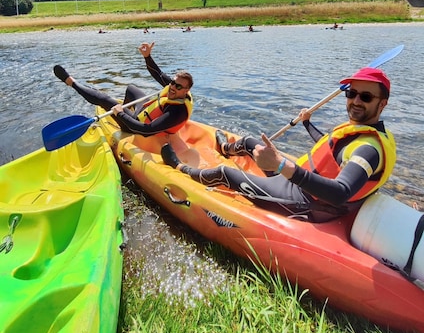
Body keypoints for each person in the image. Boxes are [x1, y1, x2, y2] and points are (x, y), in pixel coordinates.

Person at [161, 67, 396, 222]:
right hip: (300, 186)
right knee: (252, 143)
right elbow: (332, 148)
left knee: (225, 173)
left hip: (304, 202)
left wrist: (282, 166)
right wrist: (307, 124)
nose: (356, 101)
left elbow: (340, 193)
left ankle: (179, 167)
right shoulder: (362, 133)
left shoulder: (368, 150)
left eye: (366, 97)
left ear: (382, 104)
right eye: (352, 93)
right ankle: (225, 149)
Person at [53, 42, 194, 143]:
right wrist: (147, 56)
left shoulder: (177, 112)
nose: (173, 87)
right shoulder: (176, 88)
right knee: (131, 88)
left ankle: (72, 83)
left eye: (178, 86)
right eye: (173, 82)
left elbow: (146, 130)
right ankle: (125, 118)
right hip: (143, 114)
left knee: (105, 100)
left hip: (138, 128)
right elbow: (158, 74)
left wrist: (119, 113)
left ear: (186, 90)